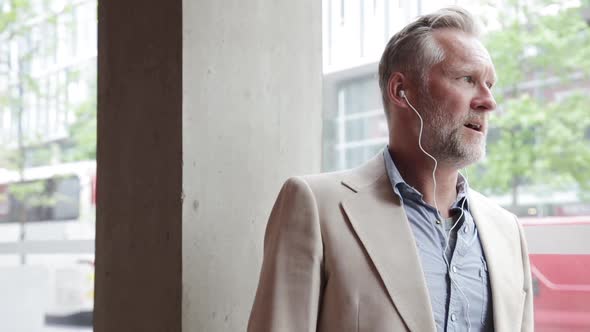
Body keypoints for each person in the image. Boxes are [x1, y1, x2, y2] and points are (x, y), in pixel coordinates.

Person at [248, 7, 533, 332]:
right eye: (467, 79)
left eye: (490, 85)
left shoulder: (508, 231)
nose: (488, 101)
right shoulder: (316, 206)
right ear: (401, 91)